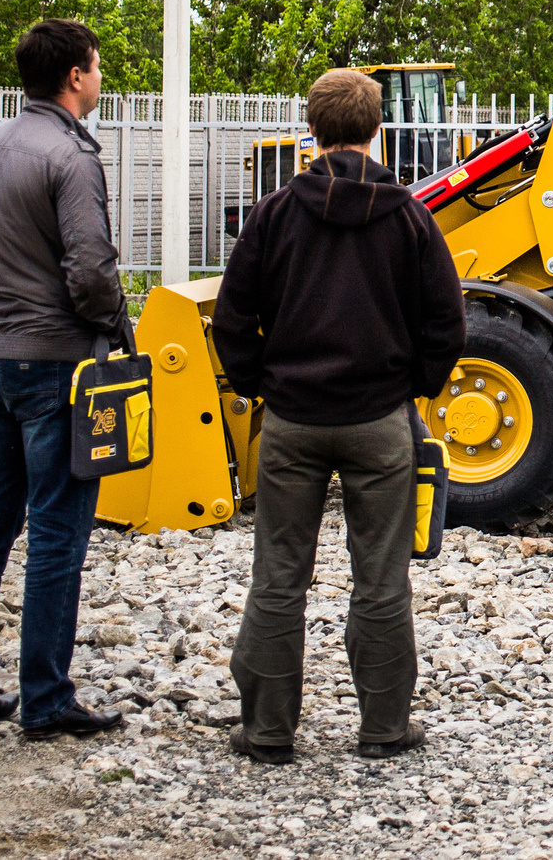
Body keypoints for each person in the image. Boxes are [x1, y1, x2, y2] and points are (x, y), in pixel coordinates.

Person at [212, 68, 466, 764]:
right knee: (381, 576)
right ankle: (384, 726)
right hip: (379, 419)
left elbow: (231, 320)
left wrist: (260, 384)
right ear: (377, 127)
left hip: (291, 421)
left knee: (278, 574)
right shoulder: (410, 215)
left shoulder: (272, 215)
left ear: (312, 129)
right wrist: (413, 386)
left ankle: (267, 730)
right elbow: (448, 319)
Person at [0, 17, 127, 740]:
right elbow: (89, 270)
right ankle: (46, 698)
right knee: (57, 532)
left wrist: (3, 309)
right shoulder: (73, 158)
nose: (101, 77)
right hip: (57, 364)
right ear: (75, 75)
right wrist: (114, 322)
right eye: (98, 65)